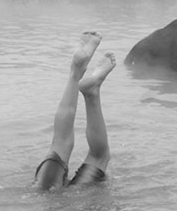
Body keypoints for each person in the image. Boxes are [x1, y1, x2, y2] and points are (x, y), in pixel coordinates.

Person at [34, 31, 116, 190]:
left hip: (52, 196)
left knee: (98, 155)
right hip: (46, 190)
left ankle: (91, 90)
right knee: (60, 143)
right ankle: (76, 72)